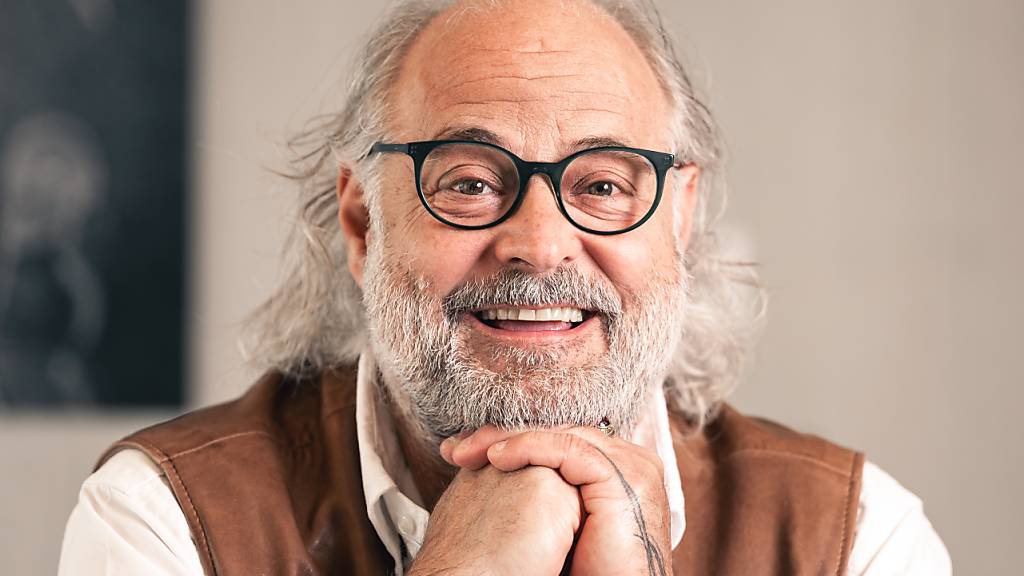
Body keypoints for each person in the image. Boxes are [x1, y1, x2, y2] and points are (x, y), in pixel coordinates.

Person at [59, 0, 951, 574]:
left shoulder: (854, 536)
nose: (539, 244)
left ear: (678, 221)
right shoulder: (165, 520)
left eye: (604, 184)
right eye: (471, 181)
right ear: (363, 223)